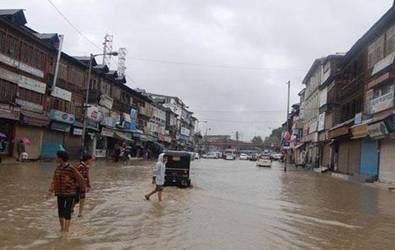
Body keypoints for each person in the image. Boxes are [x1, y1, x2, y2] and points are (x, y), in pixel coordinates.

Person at [48, 150, 85, 233]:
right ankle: (62, 228)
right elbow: (54, 180)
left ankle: (66, 229)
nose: (56, 158)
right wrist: (50, 191)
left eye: (57, 157)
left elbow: (80, 179)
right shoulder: (57, 168)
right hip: (59, 193)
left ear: (60, 158)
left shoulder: (71, 168)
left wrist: (82, 189)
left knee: (67, 211)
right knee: (60, 212)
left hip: (70, 194)